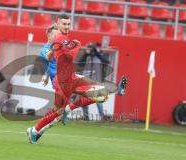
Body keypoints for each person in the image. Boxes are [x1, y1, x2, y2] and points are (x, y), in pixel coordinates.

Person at [27, 14, 127, 144]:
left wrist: (48, 72)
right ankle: (35, 131)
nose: (66, 27)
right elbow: (57, 57)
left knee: (101, 95)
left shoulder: (63, 40)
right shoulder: (50, 45)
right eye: (64, 25)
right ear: (51, 33)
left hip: (71, 77)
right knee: (57, 113)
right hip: (61, 82)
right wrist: (71, 47)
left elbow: (58, 58)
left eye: (68, 24)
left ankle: (116, 90)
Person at [77, 42, 109, 120]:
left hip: (96, 81)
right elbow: (79, 63)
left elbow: (106, 62)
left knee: (98, 99)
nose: (88, 49)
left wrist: (96, 53)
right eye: (88, 48)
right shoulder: (86, 56)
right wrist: (85, 54)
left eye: (90, 48)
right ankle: (86, 116)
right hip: (86, 81)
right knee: (83, 99)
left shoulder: (99, 55)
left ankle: (102, 116)